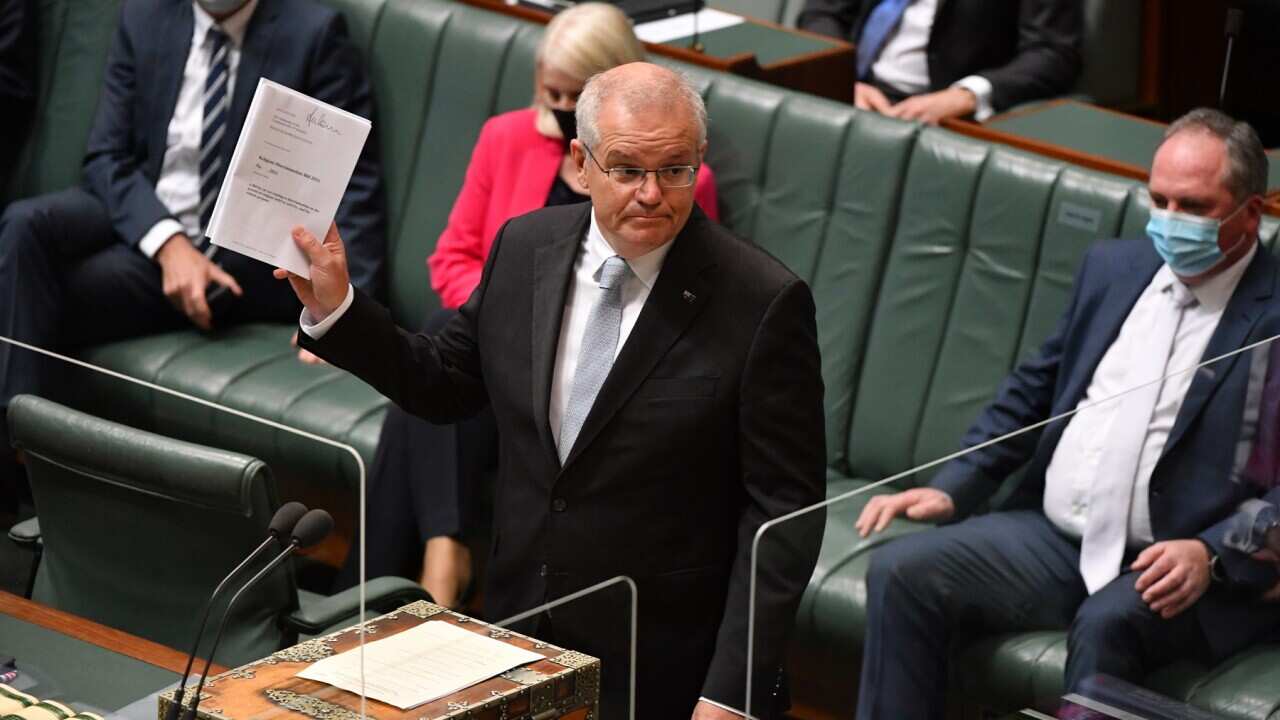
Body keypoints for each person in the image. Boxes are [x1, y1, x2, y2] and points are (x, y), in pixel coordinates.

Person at [282, 63, 824, 719]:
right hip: (522, 634)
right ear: (581, 163)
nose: (652, 193)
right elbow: (446, 384)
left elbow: (783, 517)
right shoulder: (526, 246)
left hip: (668, 666)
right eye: (627, 170)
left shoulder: (762, 301)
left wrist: (729, 693)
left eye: (675, 169)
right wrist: (340, 308)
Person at [854, 108, 1280, 719]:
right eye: (1158, 200)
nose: (1168, 222)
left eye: (1193, 207)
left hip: (1173, 565)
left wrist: (1211, 553)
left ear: (1251, 213)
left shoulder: (1273, 317)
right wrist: (954, 488)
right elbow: (1035, 387)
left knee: (1107, 623)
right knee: (901, 571)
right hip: (1057, 539)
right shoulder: (1114, 269)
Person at [345, 2, 719, 608]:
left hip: (588, 386)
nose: (563, 113)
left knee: (418, 403)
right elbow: (452, 257)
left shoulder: (671, 187)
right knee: (443, 356)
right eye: (553, 96)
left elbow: (683, 304)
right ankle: (440, 558)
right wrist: (514, 323)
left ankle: (378, 599)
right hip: (495, 367)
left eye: (576, 100)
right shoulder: (508, 137)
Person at [0, 0, 385, 506]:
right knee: (23, 227)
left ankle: (27, 494)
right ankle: (17, 462)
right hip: (145, 223)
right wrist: (167, 243)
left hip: (235, 258)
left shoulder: (313, 30)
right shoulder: (146, 14)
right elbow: (106, 155)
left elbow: (352, 178)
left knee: (23, 294)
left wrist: (341, 315)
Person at [796, 0, 1082, 123]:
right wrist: (841, 78)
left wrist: (968, 96)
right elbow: (821, 12)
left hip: (943, 111)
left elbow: (1053, 53)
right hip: (855, 92)